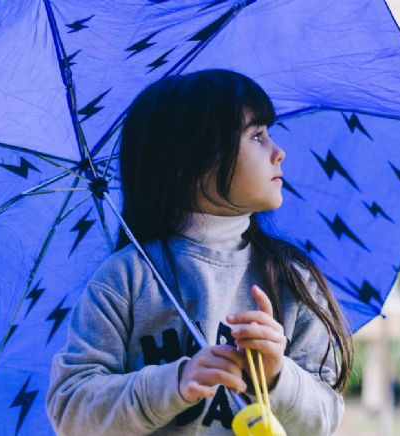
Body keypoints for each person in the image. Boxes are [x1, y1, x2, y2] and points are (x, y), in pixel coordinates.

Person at [46, 69, 353, 435]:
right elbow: (71, 407)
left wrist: (277, 375)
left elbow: (325, 419)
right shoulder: (125, 279)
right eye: (257, 135)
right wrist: (173, 383)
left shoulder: (291, 280)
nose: (278, 152)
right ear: (189, 164)